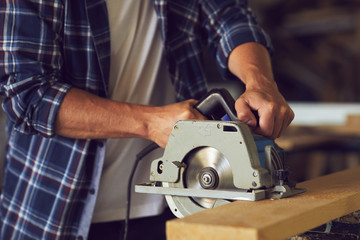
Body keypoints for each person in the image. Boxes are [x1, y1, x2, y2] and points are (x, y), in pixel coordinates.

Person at [0, 0, 294, 239]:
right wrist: (151, 123)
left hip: (183, 198)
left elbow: (230, 17)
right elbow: (28, 95)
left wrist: (259, 82)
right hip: (56, 207)